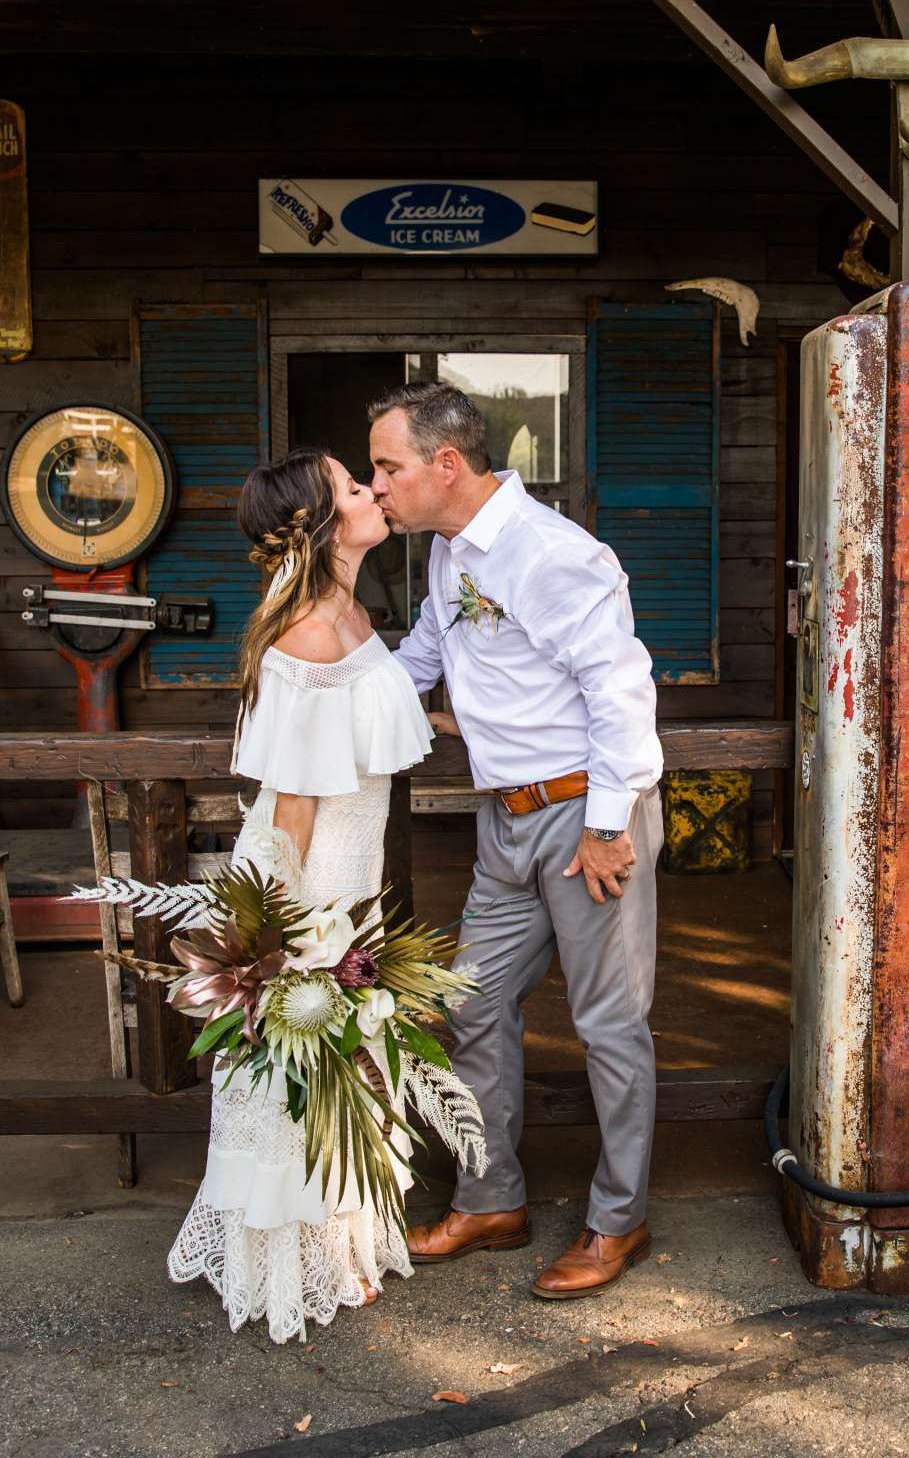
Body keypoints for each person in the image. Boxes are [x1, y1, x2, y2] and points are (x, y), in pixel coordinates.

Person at [368, 381, 665, 1300]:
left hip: (587, 818)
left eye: (388, 468)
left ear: (444, 466)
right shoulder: (449, 550)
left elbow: (621, 692)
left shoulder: (552, 554)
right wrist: (328, 687)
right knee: (470, 1004)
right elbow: (425, 651)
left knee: (609, 1024)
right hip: (505, 821)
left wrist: (611, 828)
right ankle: (492, 1197)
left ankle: (620, 1219)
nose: (378, 487)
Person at [164, 446, 436, 1342]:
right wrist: (280, 936)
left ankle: (339, 1249)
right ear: (323, 523)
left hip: (349, 877)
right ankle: (286, 1261)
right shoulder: (309, 632)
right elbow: (294, 802)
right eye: (356, 487)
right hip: (306, 881)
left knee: (345, 1071)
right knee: (295, 1075)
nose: (375, 491)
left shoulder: (350, 608)